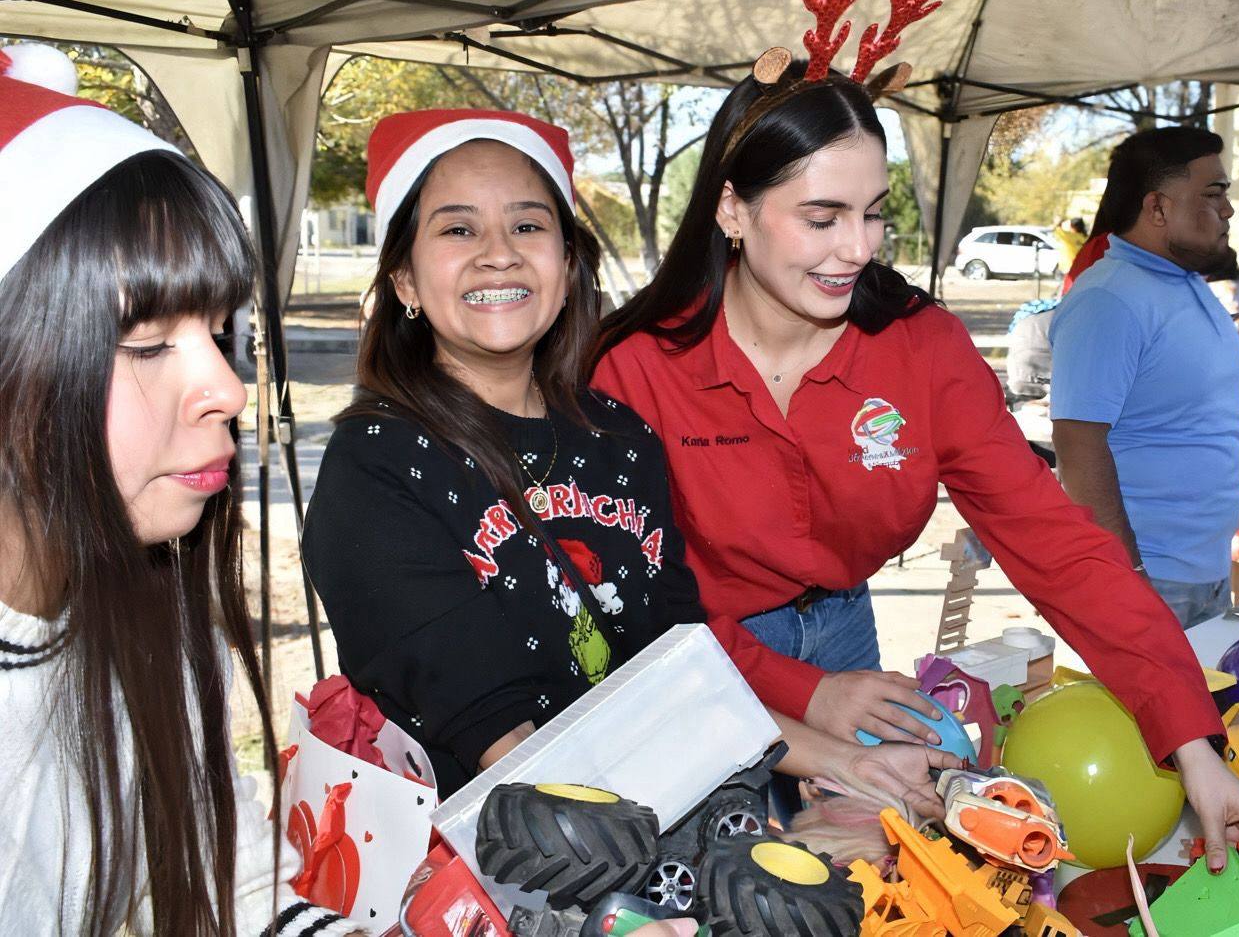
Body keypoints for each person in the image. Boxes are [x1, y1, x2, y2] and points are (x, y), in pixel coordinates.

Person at [591, 62, 1239, 889]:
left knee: (863, 877)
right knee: (724, 885)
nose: (858, 249)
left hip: (846, 634)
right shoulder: (634, 371)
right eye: (822, 217)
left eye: (874, 214)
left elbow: (1059, 546)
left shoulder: (920, 351)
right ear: (732, 209)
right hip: (698, 652)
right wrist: (805, 693)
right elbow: (635, 609)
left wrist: (1190, 743)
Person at [302, 110, 959, 827]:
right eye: (458, 229)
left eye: (527, 226)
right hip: (503, 872)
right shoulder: (378, 467)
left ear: (567, 261)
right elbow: (502, 739)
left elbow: (681, 673)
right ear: (402, 278)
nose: (499, 254)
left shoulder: (617, 439)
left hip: (651, 835)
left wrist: (845, 762)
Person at [0, 45, 360, 934]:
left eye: (218, 329)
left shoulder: (137, 595)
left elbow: (214, 855)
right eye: (149, 341)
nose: (229, 391)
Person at [1049, 127, 1239, 626]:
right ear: (1158, 208)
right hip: (1147, 578)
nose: (1228, 211)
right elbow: (1078, 449)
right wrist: (1126, 573)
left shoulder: (1184, 285)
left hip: (1201, 572)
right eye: (1214, 195)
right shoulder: (1109, 299)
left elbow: (1207, 413)